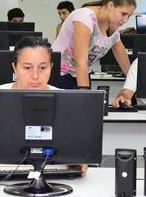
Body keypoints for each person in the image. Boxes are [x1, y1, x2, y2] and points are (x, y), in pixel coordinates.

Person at [0, 36, 87, 175]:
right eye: (27, 68)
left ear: (51, 67)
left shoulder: (67, 101)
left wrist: (77, 159)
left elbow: (77, 148)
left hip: (55, 175)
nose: (35, 75)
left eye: (42, 67)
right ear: (14, 68)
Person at [52, 0, 136, 89]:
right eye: (123, 14)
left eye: (129, 16)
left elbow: (121, 54)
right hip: (61, 74)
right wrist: (85, 94)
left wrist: (132, 87)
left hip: (81, 73)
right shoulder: (85, 18)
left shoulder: (112, 26)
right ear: (110, 6)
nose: (125, 20)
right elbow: (80, 61)